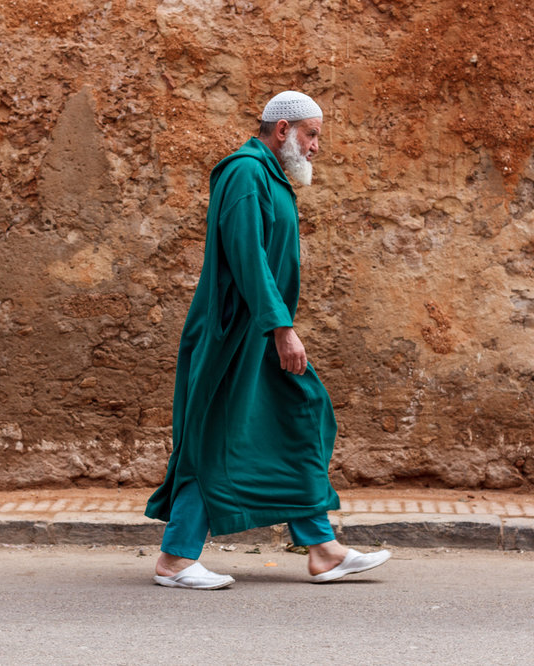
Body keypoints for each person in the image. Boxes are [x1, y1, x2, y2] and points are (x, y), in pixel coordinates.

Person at [144, 91, 390, 589]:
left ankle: (323, 550)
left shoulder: (270, 176)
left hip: (256, 332)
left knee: (297, 422)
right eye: (312, 134)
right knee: (213, 436)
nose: (317, 146)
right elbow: (247, 256)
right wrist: (282, 328)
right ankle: (174, 560)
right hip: (235, 334)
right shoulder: (244, 173)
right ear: (283, 131)